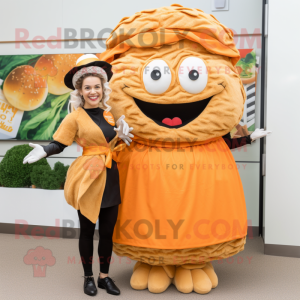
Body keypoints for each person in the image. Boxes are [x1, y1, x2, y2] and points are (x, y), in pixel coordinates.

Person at [23, 54, 133, 297]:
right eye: (87, 88)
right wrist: (45, 151)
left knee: (107, 232)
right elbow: (59, 143)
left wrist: (122, 139)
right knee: (87, 230)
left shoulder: (109, 114)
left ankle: (104, 277)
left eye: (96, 87)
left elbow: (112, 143)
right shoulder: (74, 117)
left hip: (110, 176)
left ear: (103, 89)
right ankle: (88, 278)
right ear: (80, 91)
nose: (93, 92)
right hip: (89, 176)